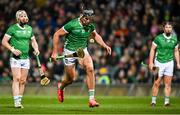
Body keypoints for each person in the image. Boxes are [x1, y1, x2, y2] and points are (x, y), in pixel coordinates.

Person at [51, 9, 111, 107]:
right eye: (86, 18)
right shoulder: (72, 24)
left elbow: (95, 35)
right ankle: (61, 87)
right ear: (82, 16)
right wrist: (54, 52)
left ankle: (91, 99)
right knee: (70, 79)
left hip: (82, 51)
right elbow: (57, 34)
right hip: (69, 51)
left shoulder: (90, 26)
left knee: (90, 69)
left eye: (89, 20)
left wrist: (105, 45)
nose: (87, 21)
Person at [2, 10, 39, 108]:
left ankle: (19, 100)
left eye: (25, 15)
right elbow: (4, 41)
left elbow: (33, 41)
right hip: (15, 58)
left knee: (23, 81)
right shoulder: (12, 28)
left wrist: (36, 49)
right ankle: (16, 102)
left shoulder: (29, 29)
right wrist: (12, 49)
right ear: (18, 18)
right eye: (22, 16)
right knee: (17, 78)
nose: (24, 17)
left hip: (26, 58)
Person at [149, 21, 180, 106]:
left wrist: (178, 63)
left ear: (172, 29)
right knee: (156, 83)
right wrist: (151, 62)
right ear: (163, 28)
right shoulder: (158, 38)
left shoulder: (175, 39)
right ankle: (153, 101)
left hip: (169, 63)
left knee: (168, 83)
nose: (168, 29)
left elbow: (176, 51)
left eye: (170, 27)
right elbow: (152, 49)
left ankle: (166, 102)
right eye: (166, 27)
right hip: (159, 62)